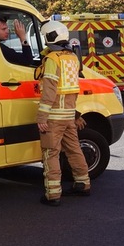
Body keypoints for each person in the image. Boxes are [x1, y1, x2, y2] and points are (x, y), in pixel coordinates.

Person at [36, 20, 91, 207]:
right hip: (68, 116)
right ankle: (83, 184)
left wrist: (42, 117)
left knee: (51, 154)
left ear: (49, 37)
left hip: (53, 117)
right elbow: (70, 90)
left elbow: (50, 91)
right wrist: (75, 115)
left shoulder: (53, 59)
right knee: (74, 150)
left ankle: (53, 195)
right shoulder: (72, 58)